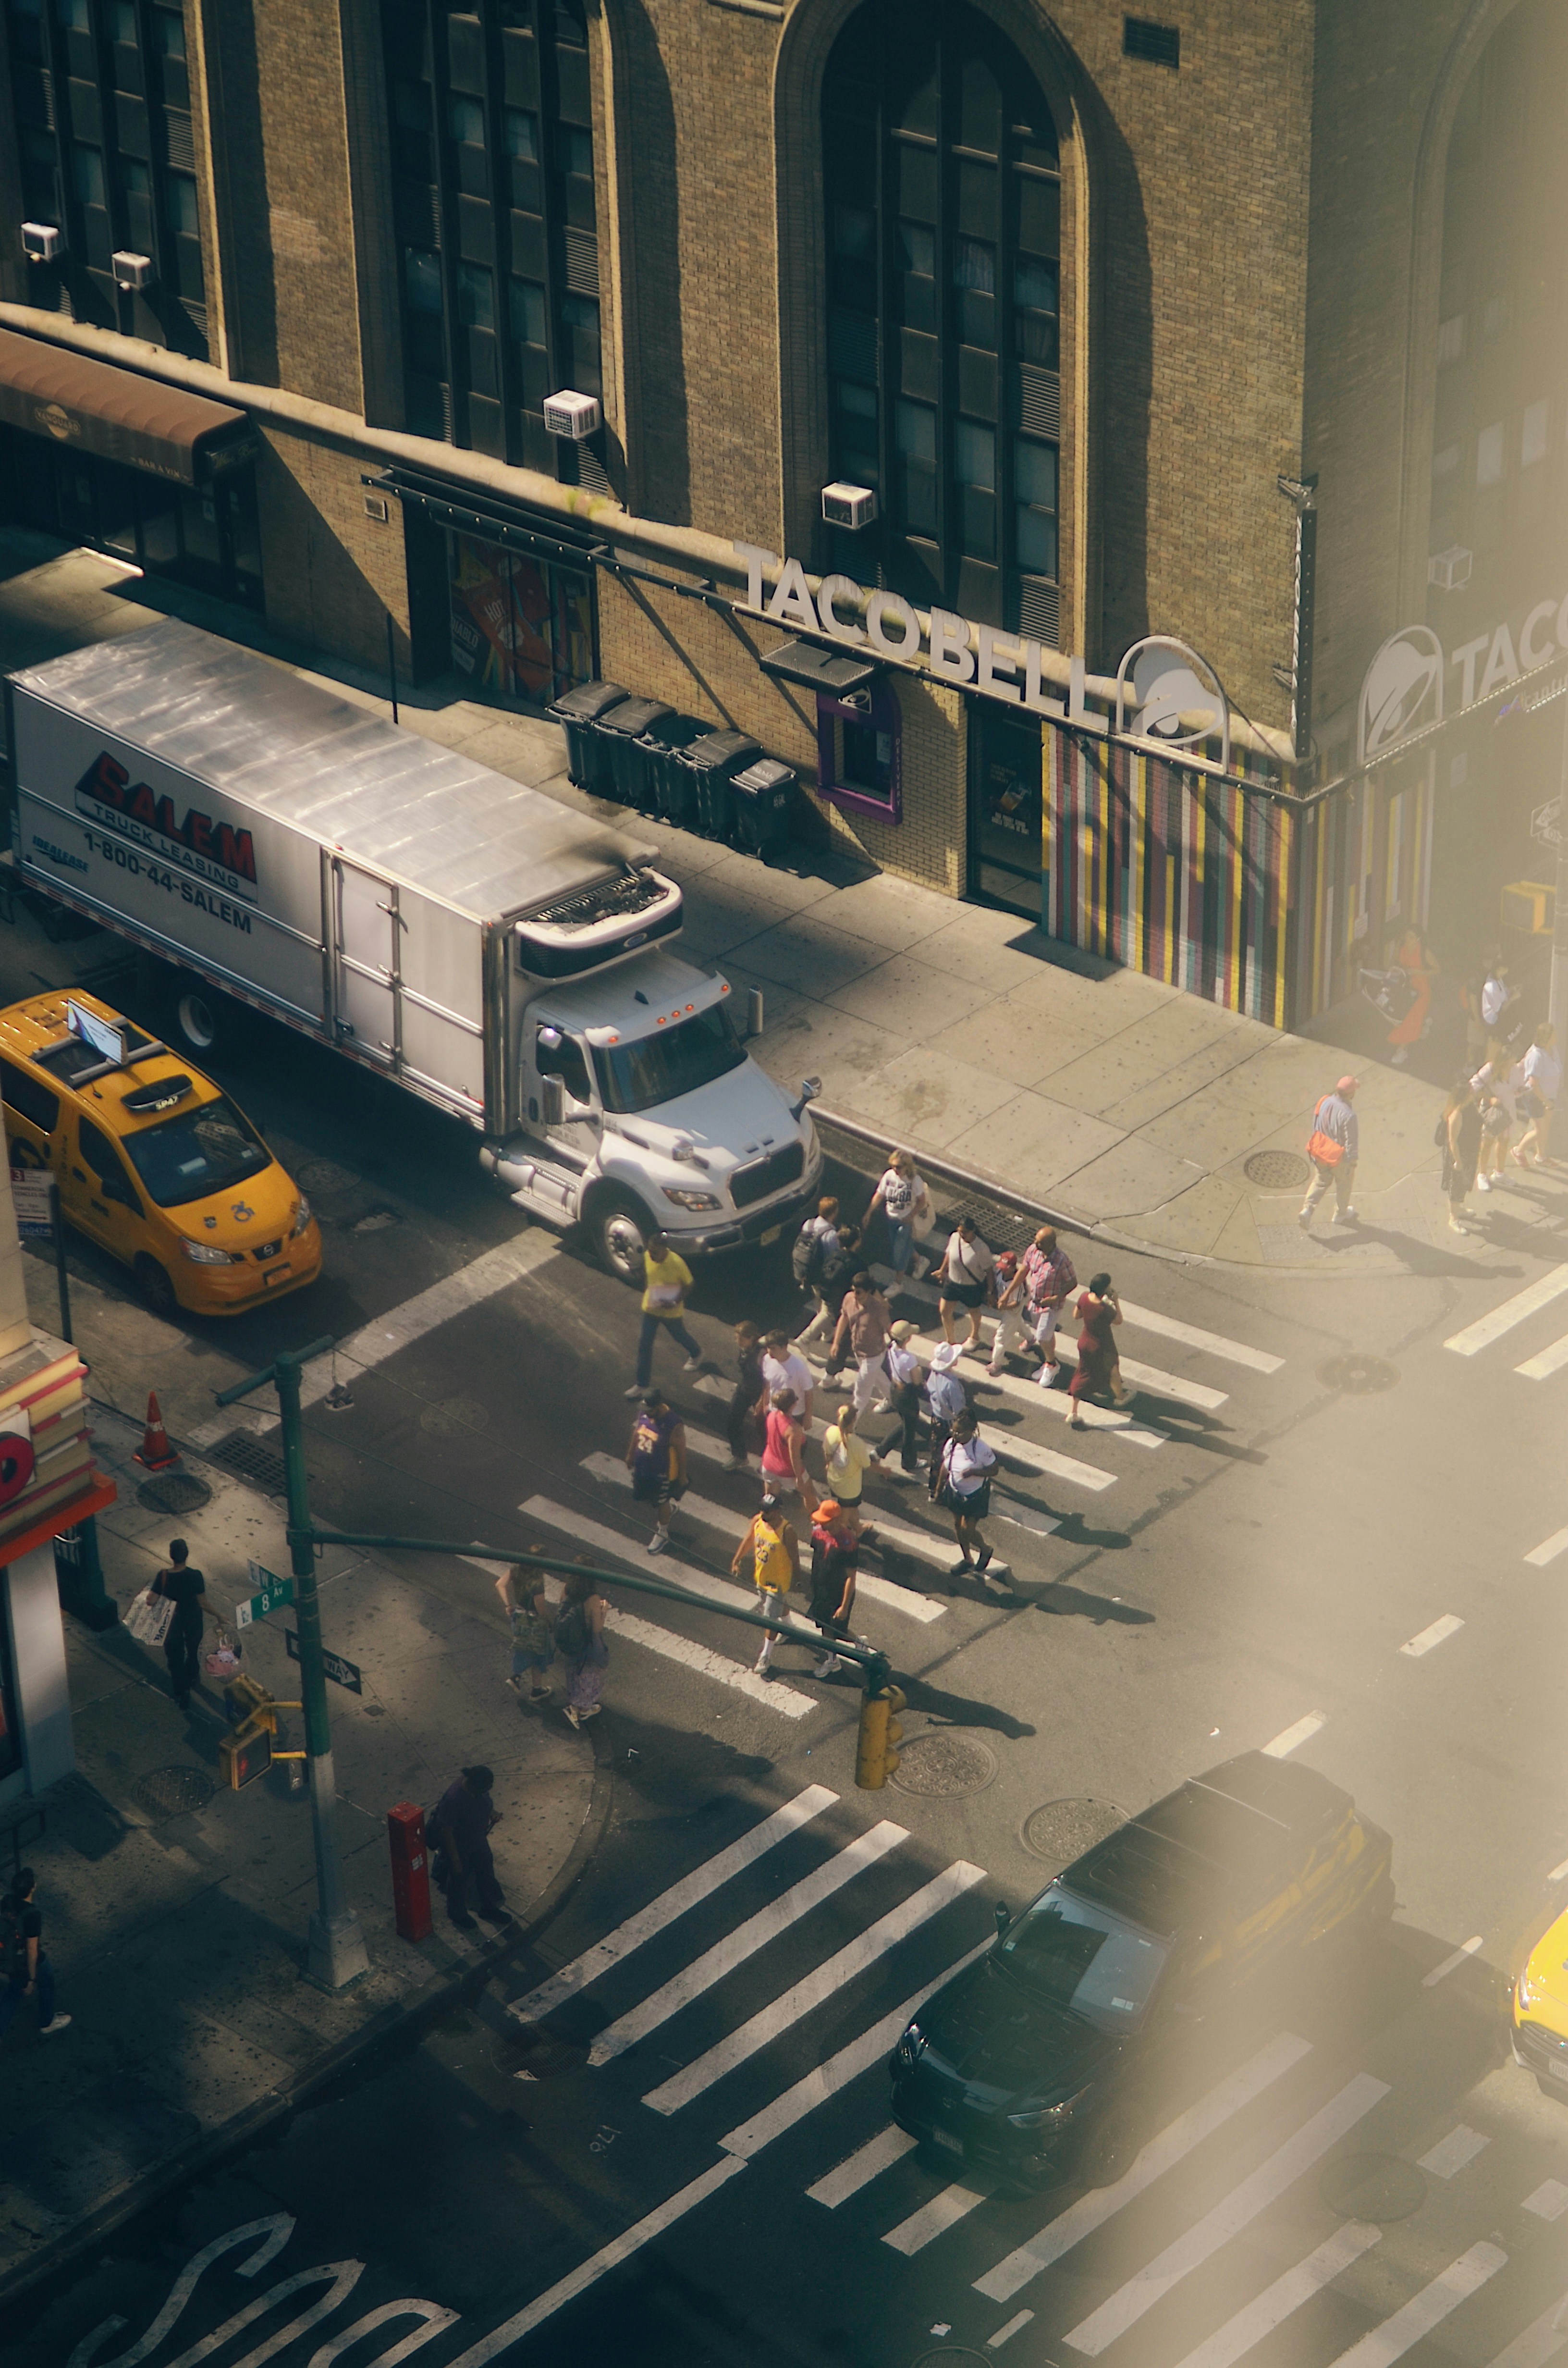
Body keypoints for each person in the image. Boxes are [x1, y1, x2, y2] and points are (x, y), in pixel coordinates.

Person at [626, 1232, 704, 1399]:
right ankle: (642, 1384)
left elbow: (690, 1285)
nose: (651, 1255)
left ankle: (696, 1352)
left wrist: (676, 1300)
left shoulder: (676, 1263)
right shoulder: (648, 1256)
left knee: (679, 1335)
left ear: (665, 1249)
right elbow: (649, 1276)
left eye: (655, 1252)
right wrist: (647, 1290)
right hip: (652, 1307)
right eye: (650, 1250)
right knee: (644, 1345)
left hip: (671, 1309)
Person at [429, 1766, 509, 1929]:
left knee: (486, 1871)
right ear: (474, 1787)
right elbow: (447, 1832)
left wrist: (491, 1813)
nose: (490, 1789)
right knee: (459, 1879)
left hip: (477, 1840)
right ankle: (457, 1913)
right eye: (487, 1787)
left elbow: (483, 1803)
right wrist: (456, 1860)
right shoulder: (454, 1800)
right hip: (460, 1845)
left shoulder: (477, 1787)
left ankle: (488, 1908)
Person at [732, 1491, 800, 1677]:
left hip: (777, 1582)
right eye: (762, 1509)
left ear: (778, 1511)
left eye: (768, 1511)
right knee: (776, 1607)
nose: (764, 1514)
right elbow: (748, 1541)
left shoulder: (788, 1531)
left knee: (770, 1618)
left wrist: (797, 1579)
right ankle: (788, 1627)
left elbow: (795, 1558)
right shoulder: (757, 1522)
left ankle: (766, 1655)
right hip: (761, 1577)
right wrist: (737, 1560)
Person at [0, 1867, 70, 2038]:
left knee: (13, 1994)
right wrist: (31, 1979)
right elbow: (32, 1950)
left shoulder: (6, 1901)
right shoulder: (32, 1915)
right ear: (33, 1888)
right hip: (25, 1964)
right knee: (44, 1983)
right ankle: (46, 2022)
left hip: (8, 1958)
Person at [932, 1408, 998, 1578]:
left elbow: (994, 1470)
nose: (955, 1435)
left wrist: (975, 1473)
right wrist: (938, 1490)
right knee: (957, 1526)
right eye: (954, 1431)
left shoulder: (981, 1449)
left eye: (960, 1432)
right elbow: (945, 1467)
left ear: (971, 1431)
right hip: (955, 1492)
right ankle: (967, 1558)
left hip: (975, 1496)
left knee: (967, 1529)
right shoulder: (951, 1445)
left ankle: (985, 1549)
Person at [626, 1385, 687, 1554]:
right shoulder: (645, 1414)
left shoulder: (673, 1424)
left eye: (650, 1409)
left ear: (659, 1406)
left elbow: (681, 1451)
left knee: (661, 1501)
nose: (646, 1413)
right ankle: (666, 1508)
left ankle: (663, 1532)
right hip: (643, 1469)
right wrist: (631, 1455)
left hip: (662, 1473)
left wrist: (682, 1476)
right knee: (646, 1497)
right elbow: (638, 1433)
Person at [1068, 1273, 1131, 1428]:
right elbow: (1119, 1321)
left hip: (1085, 1342)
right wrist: (1115, 1302)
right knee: (1113, 1368)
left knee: (1082, 1373)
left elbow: (1076, 1315)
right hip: (1102, 1345)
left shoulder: (1084, 1298)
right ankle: (1121, 1397)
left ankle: (1073, 1411)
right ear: (1104, 1289)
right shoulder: (1105, 1309)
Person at [828, 1270, 894, 1416]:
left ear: (869, 1292)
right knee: (878, 1376)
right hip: (858, 1351)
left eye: (859, 1293)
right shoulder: (849, 1299)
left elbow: (891, 1331)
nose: (855, 1296)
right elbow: (844, 1318)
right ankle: (893, 1399)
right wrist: (836, 1343)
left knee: (861, 1394)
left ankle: (849, 1427)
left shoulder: (878, 1309)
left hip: (874, 1355)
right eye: (854, 1291)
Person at [1298, 1075, 1360, 1230]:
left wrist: (1315, 1151)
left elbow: (1316, 1124)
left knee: (1320, 1181)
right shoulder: (1349, 1115)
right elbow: (1351, 1142)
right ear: (1351, 1094)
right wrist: (1352, 1162)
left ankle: (1308, 1209)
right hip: (1339, 1158)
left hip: (1320, 1151)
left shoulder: (1324, 1101)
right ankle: (1340, 1214)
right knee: (1344, 1185)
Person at [152, 1539, 205, 1713]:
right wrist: (220, 1616)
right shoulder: (196, 1575)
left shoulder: (163, 1576)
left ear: (171, 1556)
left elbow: (151, 1600)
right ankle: (192, 1677)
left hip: (172, 1623)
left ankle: (181, 1690)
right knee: (194, 1649)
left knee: (175, 1657)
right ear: (187, 1555)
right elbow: (203, 1603)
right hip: (193, 1620)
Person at [1020, 1226, 1078, 1385]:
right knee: (1046, 1333)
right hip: (1035, 1302)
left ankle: (1052, 1365)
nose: (1035, 1244)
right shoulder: (1033, 1251)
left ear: (1051, 1243)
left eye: (1040, 1242)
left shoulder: (1062, 1261)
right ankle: (1049, 1360)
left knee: (1042, 1336)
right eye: (1036, 1240)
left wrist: (1055, 1298)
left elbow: (1072, 1282)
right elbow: (1024, 1270)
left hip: (1052, 1305)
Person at [808, 1499, 858, 1677]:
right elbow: (818, 1559)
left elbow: (851, 1577)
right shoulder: (817, 1533)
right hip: (821, 1589)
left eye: (825, 1520)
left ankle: (833, 1660)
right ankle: (854, 1646)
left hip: (837, 1593)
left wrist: (844, 1606)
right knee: (827, 1627)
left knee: (834, 1629)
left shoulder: (848, 1542)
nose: (821, 1523)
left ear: (837, 1520)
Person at [821, 1402, 885, 1538]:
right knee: (844, 1516)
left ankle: (858, 1528)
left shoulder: (831, 1432)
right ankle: (839, 1539)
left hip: (834, 1480)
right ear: (853, 1421)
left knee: (852, 1508)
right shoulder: (857, 1444)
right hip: (850, 1489)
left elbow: (827, 1453)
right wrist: (884, 1471)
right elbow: (867, 1464)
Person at [558, 1567, 610, 1728]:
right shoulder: (592, 1598)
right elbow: (596, 1628)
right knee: (590, 1675)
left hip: (570, 1641)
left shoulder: (567, 1590)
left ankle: (574, 1705)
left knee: (573, 1672)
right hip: (586, 1643)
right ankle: (582, 1708)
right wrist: (604, 1610)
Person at [497, 1558, 555, 1701]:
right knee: (538, 1655)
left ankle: (516, 1677)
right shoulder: (537, 1582)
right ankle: (536, 1690)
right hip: (534, 1622)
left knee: (523, 1648)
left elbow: (500, 1584)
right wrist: (549, 1622)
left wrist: (508, 1605)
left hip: (519, 1617)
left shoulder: (516, 1570)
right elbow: (540, 1608)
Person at [867, 1149, 931, 1277]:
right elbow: (879, 1195)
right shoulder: (889, 1176)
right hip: (891, 1218)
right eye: (893, 1166)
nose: (895, 1169)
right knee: (904, 1245)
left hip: (904, 1221)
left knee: (899, 1252)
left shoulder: (914, 1180)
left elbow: (922, 1201)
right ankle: (920, 1261)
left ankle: (898, 1281)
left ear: (907, 1166)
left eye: (899, 1167)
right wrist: (869, 1213)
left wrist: (910, 1216)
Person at [797, 1222, 863, 1348]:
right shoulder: (857, 1264)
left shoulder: (835, 1254)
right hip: (836, 1296)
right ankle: (804, 1340)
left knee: (825, 1311)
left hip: (824, 1287)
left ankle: (827, 1334)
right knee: (827, 1314)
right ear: (856, 1242)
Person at [937, 1216, 995, 1351]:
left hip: (971, 1287)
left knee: (974, 1311)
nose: (962, 1235)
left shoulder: (981, 1248)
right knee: (945, 1311)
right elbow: (950, 1254)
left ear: (973, 1231)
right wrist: (942, 1270)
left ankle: (975, 1336)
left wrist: (990, 1292)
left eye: (965, 1232)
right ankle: (950, 1340)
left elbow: (990, 1272)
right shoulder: (955, 1237)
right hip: (953, 1282)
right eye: (960, 1231)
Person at [791, 1196, 842, 1340]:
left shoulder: (808, 1224)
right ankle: (805, 1339)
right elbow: (833, 1257)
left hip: (806, 1270)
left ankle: (827, 1333)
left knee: (820, 1303)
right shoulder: (830, 1235)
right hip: (822, 1276)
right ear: (834, 1213)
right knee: (828, 1310)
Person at [1386, 925, 1437, 1066]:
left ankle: (1402, 1049)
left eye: (1412, 937)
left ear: (1418, 939)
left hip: (1421, 991)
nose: (1408, 940)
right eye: (1407, 936)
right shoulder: (1401, 947)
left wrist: (1419, 972)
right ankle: (1424, 1023)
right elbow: (1394, 962)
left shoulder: (1424, 952)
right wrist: (1394, 968)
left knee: (1411, 1019)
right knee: (1403, 1015)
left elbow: (1437, 970)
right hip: (1405, 988)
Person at [1512, 1023, 1560, 1169]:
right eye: (1554, 1035)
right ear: (1546, 1038)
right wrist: (1546, 1101)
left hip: (1549, 1096)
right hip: (1536, 1097)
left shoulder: (1552, 1049)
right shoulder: (1536, 1056)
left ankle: (1541, 1156)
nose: (1556, 1037)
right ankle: (1518, 1151)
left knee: (1545, 1127)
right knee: (1540, 1130)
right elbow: (1533, 1083)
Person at [883, 1320, 925, 1477]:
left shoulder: (891, 1348)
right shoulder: (909, 1359)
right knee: (909, 1430)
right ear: (907, 1339)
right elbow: (917, 1381)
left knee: (905, 1423)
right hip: (907, 1397)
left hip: (895, 1391)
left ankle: (881, 1450)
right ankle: (909, 1461)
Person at [1438, 1078, 1481, 1235]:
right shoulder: (1457, 1114)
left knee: (1464, 1183)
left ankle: (1459, 1209)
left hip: (1469, 1152)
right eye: (1471, 1091)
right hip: (1459, 1155)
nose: (1474, 1092)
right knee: (1456, 1185)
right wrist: (1458, 1161)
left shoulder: (1469, 1107)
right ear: (1465, 1095)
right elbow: (1452, 1141)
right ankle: (1454, 1218)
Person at [725, 1320, 767, 1472]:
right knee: (732, 1421)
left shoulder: (762, 1355)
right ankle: (740, 1456)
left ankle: (768, 1461)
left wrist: (762, 1401)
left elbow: (767, 1380)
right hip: (744, 1389)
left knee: (765, 1431)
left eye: (741, 1339)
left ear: (751, 1338)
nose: (738, 1342)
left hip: (759, 1393)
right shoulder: (745, 1349)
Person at [760, 1386, 814, 1505]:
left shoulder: (772, 1416)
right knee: (810, 1495)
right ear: (792, 1405)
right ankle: (818, 1523)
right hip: (787, 1470)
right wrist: (799, 1479)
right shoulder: (794, 1429)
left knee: (769, 1502)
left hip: (769, 1465)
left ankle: (764, 1521)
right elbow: (794, 1457)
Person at [924, 1340, 967, 1485]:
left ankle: (933, 1486)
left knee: (937, 1455)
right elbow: (959, 1410)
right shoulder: (952, 1385)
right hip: (949, 1422)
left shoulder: (934, 1374)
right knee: (955, 1454)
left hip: (937, 1418)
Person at [761, 1329, 815, 1431]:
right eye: (768, 1348)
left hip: (794, 1414)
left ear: (784, 1347)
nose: (769, 1351)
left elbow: (809, 1391)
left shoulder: (799, 1367)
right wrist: (765, 1404)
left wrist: (808, 1417)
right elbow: (767, 1384)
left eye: (773, 1348)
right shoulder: (767, 1360)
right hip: (774, 1411)